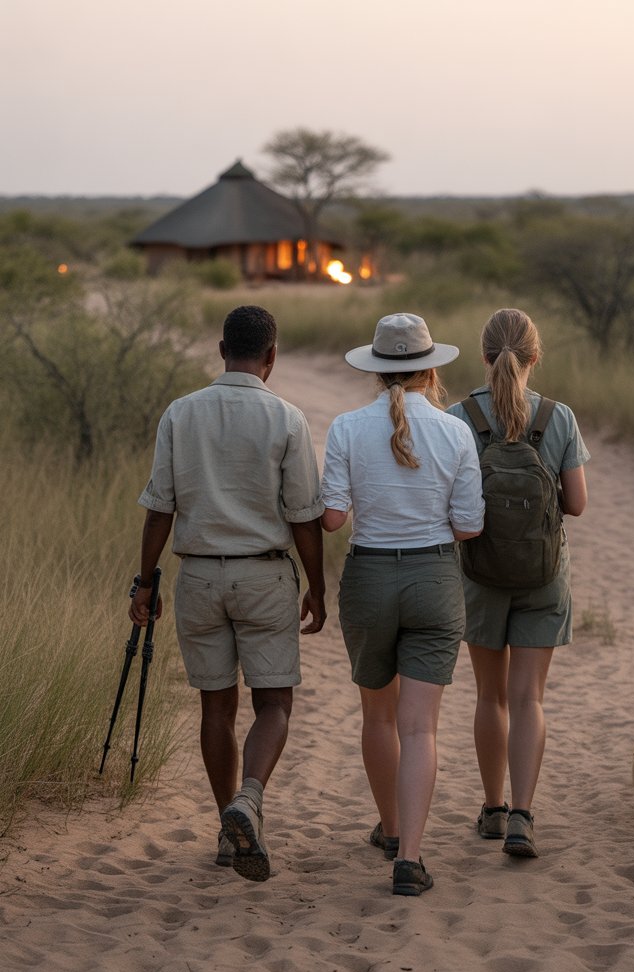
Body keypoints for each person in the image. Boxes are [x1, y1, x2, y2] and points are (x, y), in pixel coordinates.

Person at [132, 304, 326, 883]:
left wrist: (145, 582)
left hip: (197, 578)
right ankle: (250, 799)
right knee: (274, 705)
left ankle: (226, 825)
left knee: (215, 707)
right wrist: (317, 586)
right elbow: (303, 518)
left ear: (221, 350)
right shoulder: (287, 418)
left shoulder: (180, 413)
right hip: (265, 576)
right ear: (272, 356)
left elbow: (158, 508)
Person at [320, 312, 484, 897]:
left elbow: (334, 520)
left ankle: (389, 829)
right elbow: (468, 527)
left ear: (376, 371)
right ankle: (409, 859)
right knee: (420, 729)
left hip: (368, 579)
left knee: (379, 717)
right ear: (431, 372)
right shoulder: (456, 432)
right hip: (434, 580)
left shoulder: (344, 427)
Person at [447, 308, 589, 859]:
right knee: (529, 697)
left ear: (484, 358)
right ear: (535, 358)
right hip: (544, 576)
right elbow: (575, 504)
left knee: (490, 695)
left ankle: (491, 808)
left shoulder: (459, 418)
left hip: (480, 575)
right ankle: (523, 817)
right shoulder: (560, 417)